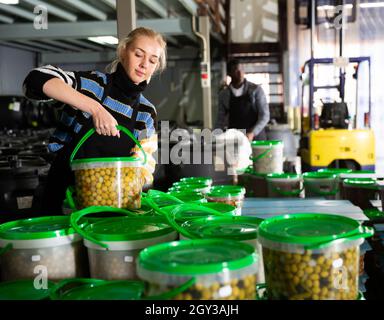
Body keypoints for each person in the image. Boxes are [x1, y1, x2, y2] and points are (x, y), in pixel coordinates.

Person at [23, 27, 166, 215]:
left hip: (114, 204)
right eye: (138, 54)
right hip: (65, 202)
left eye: (152, 60)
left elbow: (144, 164)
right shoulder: (93, 85)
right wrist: (95, 108)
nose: (144, 64)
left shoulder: (146, 113)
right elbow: (35, 80)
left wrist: (132, 182)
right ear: (123, 51)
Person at [215, 59, 270, 141]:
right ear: (229, 73)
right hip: (236, 139)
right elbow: (220, 119)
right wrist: (215, 136)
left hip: (256, 138)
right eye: (236, 70)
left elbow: (265, 116)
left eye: (241, 70)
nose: (240, 73)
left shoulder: (255, 90)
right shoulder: (224, 94)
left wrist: (252, 132)